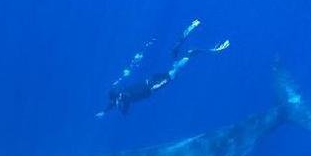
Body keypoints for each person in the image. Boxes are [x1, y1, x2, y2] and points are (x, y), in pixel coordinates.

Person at [96, 19, 230, 117]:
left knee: (175, 68)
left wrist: (167, 81)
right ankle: (184, 38)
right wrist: (105, 111)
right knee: (173, 62)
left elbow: (125, 107)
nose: (115, 101)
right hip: (151, 80)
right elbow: (116, 102)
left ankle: (191, 51)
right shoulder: (121, 94)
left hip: (154, 84)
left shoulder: (124, 96)